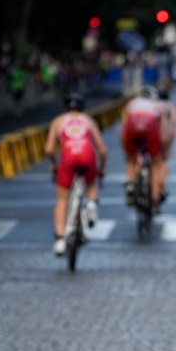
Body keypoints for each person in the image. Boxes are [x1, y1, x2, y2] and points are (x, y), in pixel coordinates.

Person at [44, 92, 107, 256]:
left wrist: (54, 165)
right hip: (87, 155)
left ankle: (59, 240)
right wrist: (102, 168)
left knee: (62, 200)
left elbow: (49, 149)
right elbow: (102, 150)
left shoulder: (58, 121)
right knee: (91, 184)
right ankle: (92, 204)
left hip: (68, 158)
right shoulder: (88, 120)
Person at [121, 85, 167, 211]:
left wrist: (126, 150)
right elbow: (162, 132)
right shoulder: (158, 106)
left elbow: (124, 129)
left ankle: (130, 184)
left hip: (132, 127)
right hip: (150, 127)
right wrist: (162, 150)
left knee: (131, 160)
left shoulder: (131, 104)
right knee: (155, 165)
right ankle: (155, 199)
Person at [157, 85, 176, 204]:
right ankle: (161, 188)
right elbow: (173, 128)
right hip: (163, 136)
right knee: (161, 161)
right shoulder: (171, 108)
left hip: (149, 135)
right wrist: (168, 147)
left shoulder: (152, 105)